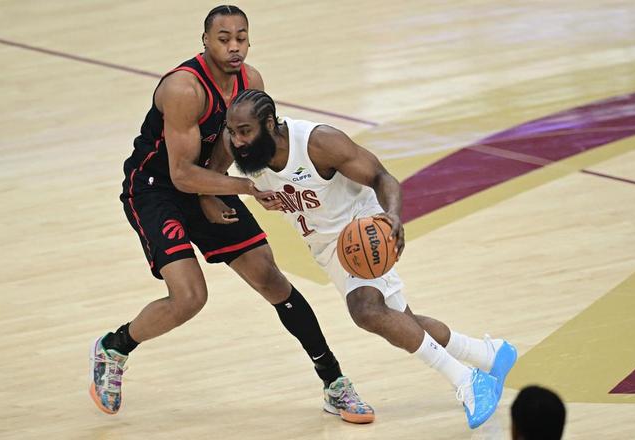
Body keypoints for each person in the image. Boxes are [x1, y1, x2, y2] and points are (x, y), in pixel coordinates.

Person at [88, 5, 374, 424]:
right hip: (156, 189)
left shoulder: (250, 82)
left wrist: (216, 187)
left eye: (241, 38)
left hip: (208, 180)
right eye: (224, 39)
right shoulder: (184, 89)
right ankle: (114, 348)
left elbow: (231, 139)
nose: (234, 46)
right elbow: (181, 173)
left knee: (271, 279)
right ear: (205, 41)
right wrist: (245, 189)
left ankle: (334, 383)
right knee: (190, 297)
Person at [209, 88, 519, 429]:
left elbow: (382, 177)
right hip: (324, 246)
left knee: (366, 310)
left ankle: (468, 380)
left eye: (244, 131)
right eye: (232, 132)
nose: (237, 140)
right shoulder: (242, 146)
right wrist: (240, 191)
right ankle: (488, 355)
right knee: (400, 321)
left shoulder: (318, 143)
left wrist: (393, 215)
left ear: (269, 123)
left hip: (360, 231)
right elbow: (212, 173)